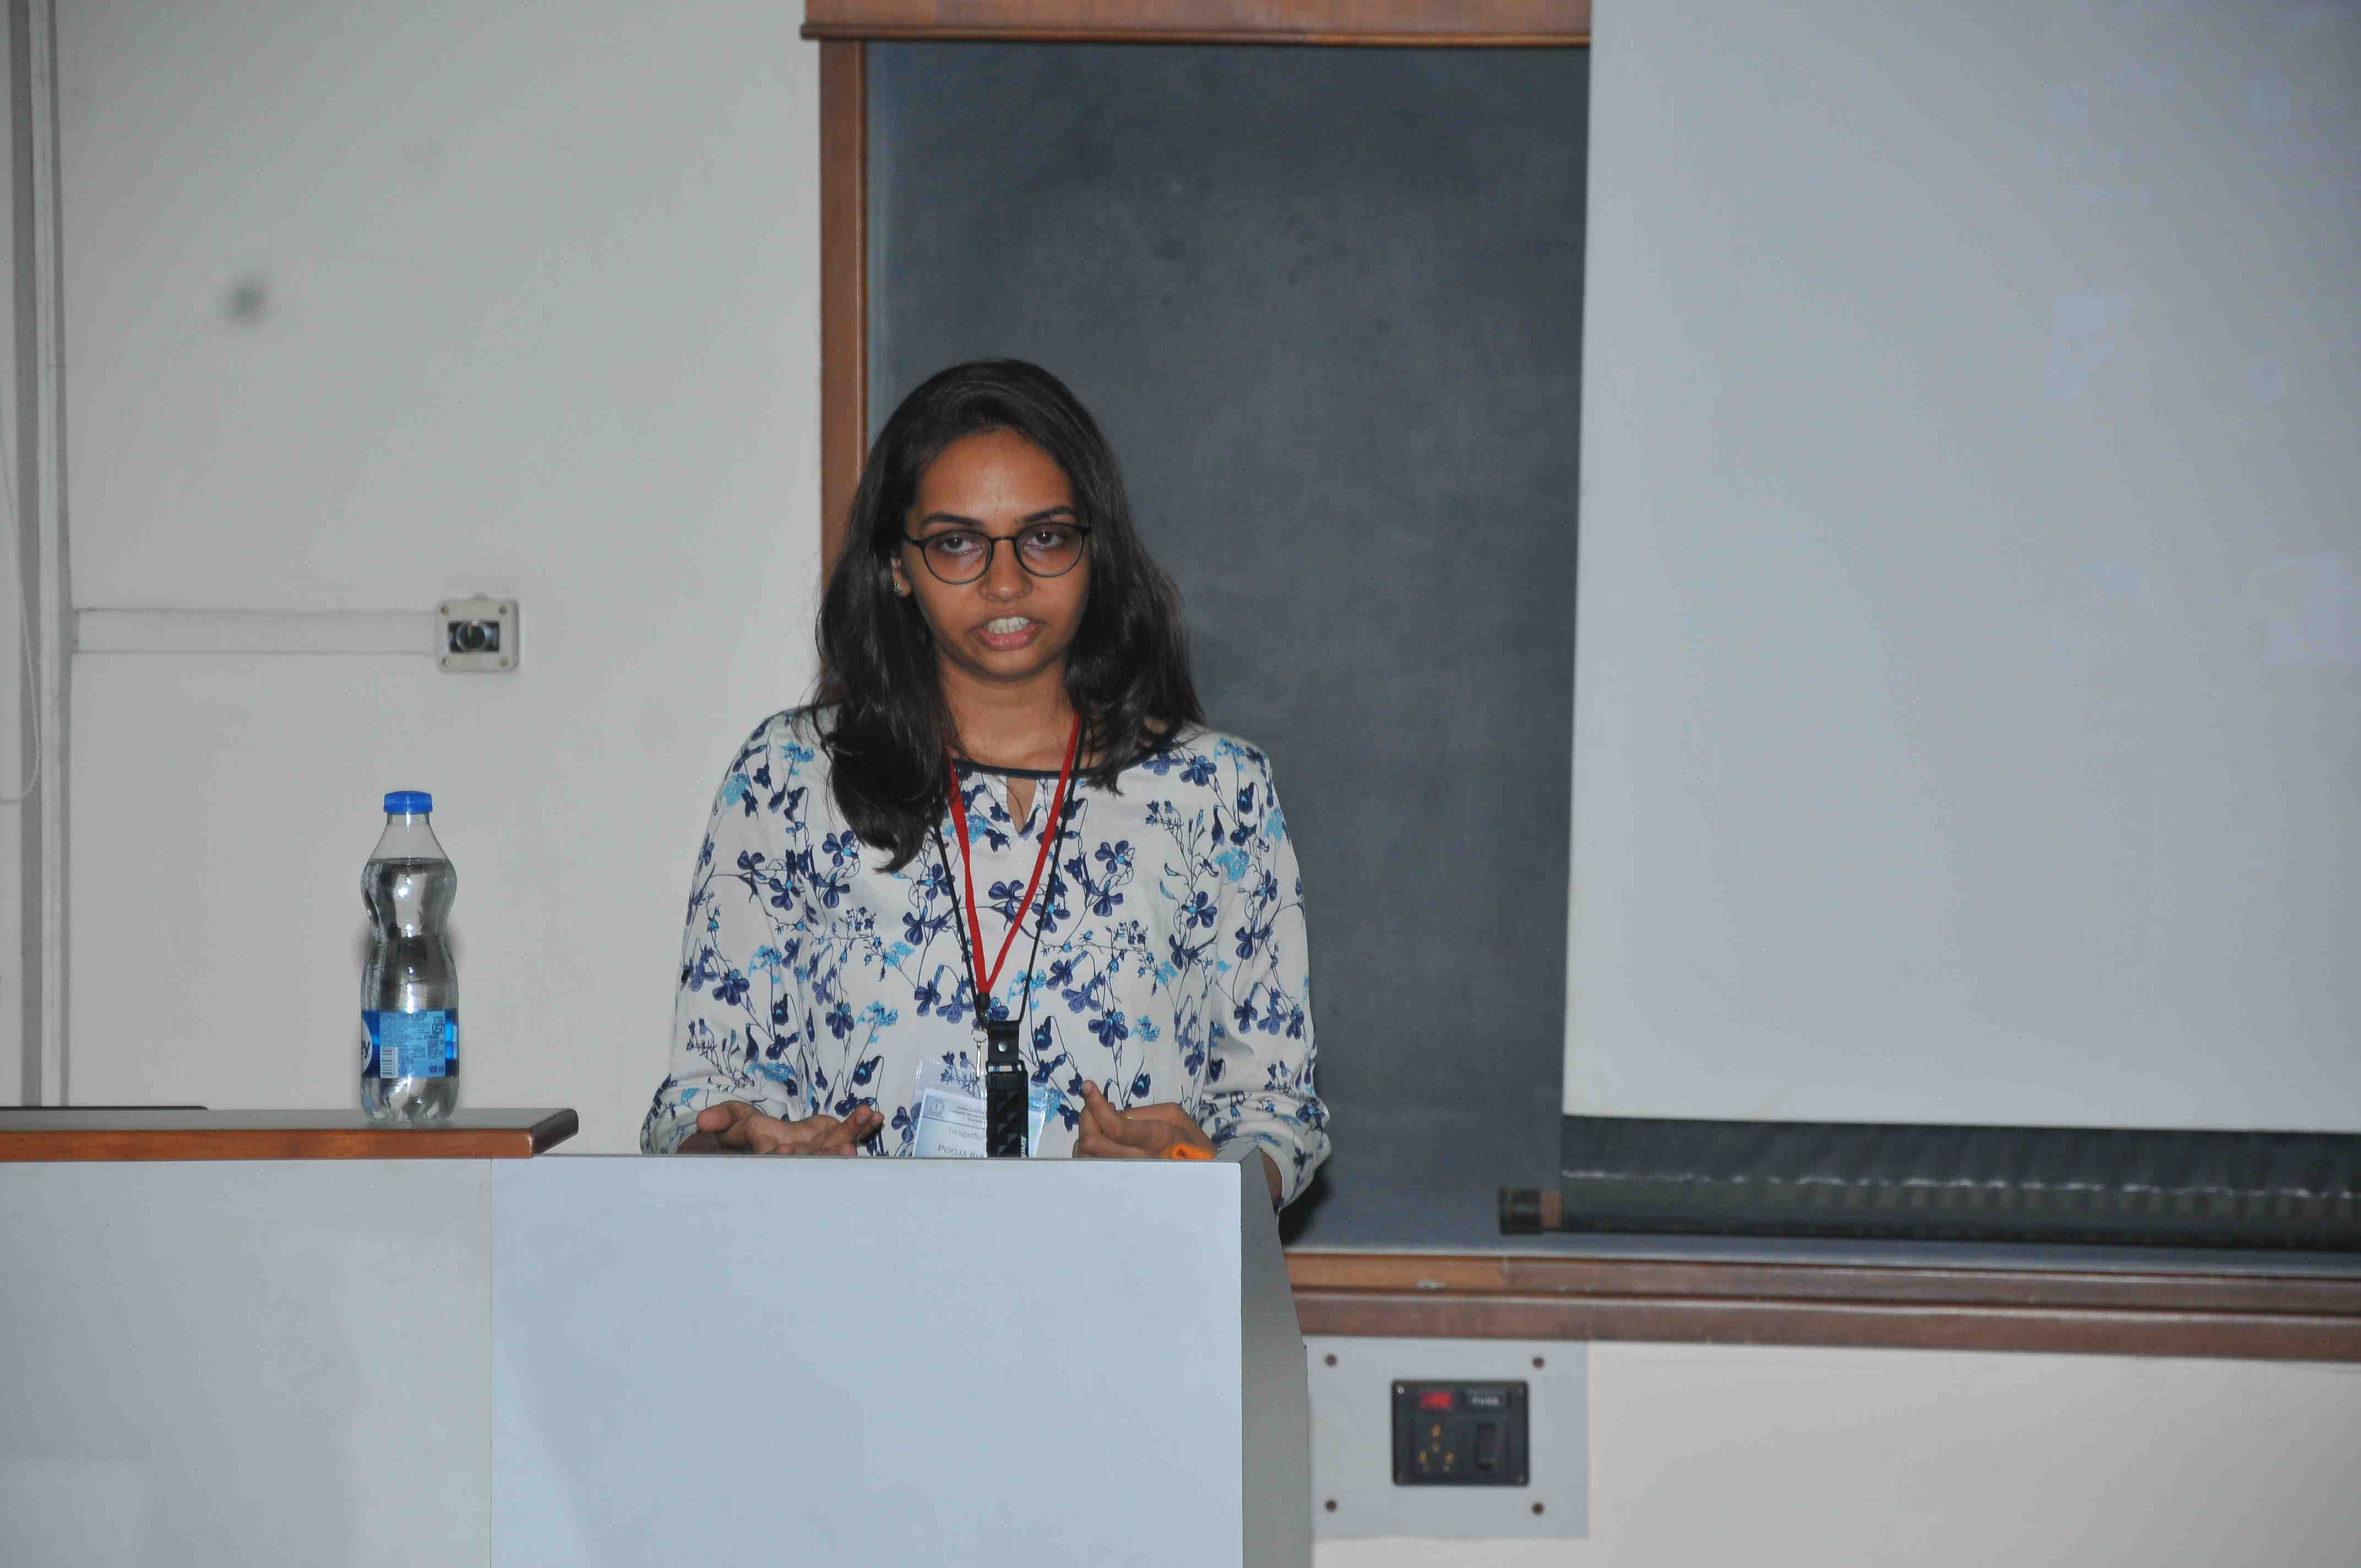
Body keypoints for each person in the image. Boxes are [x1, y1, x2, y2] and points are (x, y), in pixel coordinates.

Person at [639, 359, 1328, 1206]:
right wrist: (739, 1147)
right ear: (898, 565)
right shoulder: (791, 777)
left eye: (1045, 537)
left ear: (1094, 551)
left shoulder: (1215, 790)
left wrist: (1199, 1170)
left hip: (1128, 1278)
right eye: (957, 543)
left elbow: (1276, 1115)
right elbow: (699, 1104)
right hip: (850, 1271)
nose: (1006, 583)